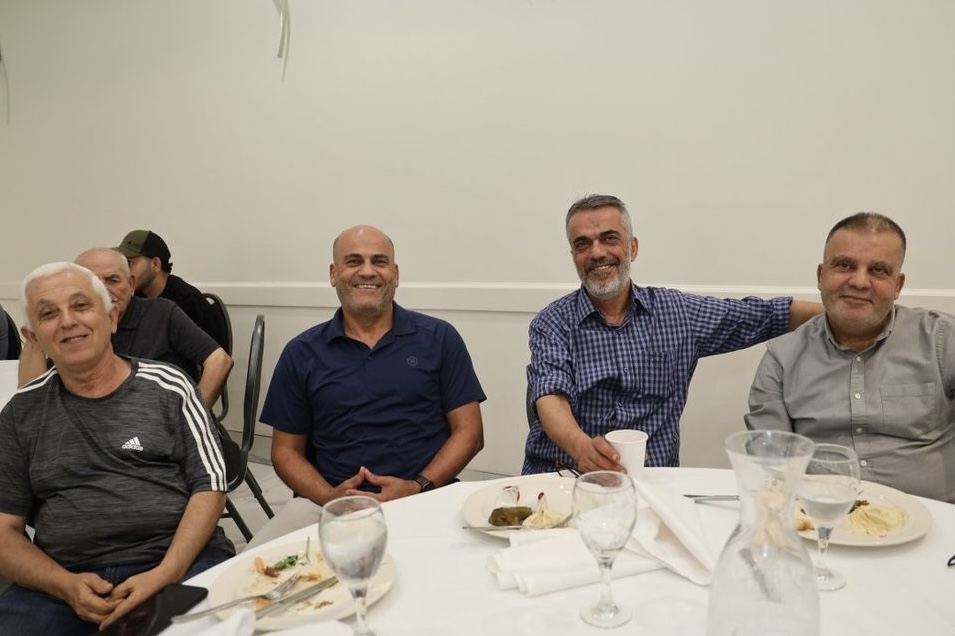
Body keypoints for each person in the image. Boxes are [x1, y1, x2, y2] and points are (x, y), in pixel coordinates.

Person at [0, 262, 233, 635]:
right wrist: (65, 585)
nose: (67, 321)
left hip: (178, 561)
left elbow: (210, 487)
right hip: (64, 580)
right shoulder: (20, 414)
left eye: (81, 306)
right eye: (49, 314)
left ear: (111, 318)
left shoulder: (170, 387)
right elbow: (4, 530)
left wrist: (165, 573)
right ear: (33, 337)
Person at [524, 194, 823, 475]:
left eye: (609, 238)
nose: (597, 252)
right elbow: (551, 396)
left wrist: (837, 311)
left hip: (652, 483)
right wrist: (582, 449)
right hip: (564, 476)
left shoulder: (677, 313)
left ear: (633, 247)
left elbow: (765, 315)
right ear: (573, 255)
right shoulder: (552, 322)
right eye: (582, 244)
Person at [249, 226, 485, 546]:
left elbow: (470, 433)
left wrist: (417, 487)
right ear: (334, 274)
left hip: (428, 496)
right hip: (326, 507)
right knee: (252, 568)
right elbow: (285, 451)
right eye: (353, 261)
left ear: (395, 274)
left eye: (379, 261)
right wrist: (331, 497)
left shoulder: (440, 338)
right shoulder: (301, 353)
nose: (368, 271)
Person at [746, 212, 955, 502]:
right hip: (823, 518)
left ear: (898, 285)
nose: (859, 281)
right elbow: (771, 464)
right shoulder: (781, 359)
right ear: (821, 276)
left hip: (935, 521)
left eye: (878, 270)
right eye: (845, 265)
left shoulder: (943, 340)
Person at [18, 248, 233, 410]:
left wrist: (192, 416)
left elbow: (219, 361)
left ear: (131, 285)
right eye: (93, 283)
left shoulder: (161, 313)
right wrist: (37, 334)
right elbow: (31, 399)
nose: (103, 290)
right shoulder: (70, 329)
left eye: (112, 280)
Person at [116, 230, 224, 347]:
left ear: (155, 264)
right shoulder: (134, 296)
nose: (125, 271)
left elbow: (209, 353)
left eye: (130, 263)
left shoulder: (188, 302)